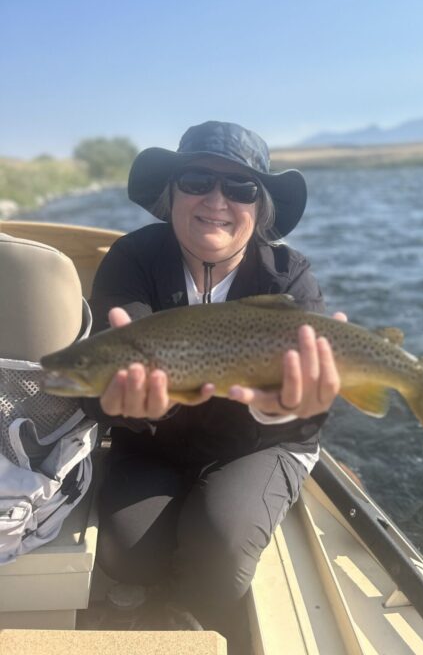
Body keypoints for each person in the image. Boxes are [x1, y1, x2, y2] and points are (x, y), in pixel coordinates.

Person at [82, 120, 345, 634]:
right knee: (126, 553)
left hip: (260, 443)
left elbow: (312, 413)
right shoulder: (132, 259)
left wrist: (282, 404)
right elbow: (97, 387)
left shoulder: (288, 276)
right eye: (197, 181)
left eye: (241, 188)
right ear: (172, 194)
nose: (216, 200)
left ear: (260, 207)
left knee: (220, 558)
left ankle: (190, 613)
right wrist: (124, 404)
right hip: (153, 441)